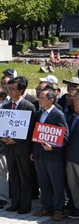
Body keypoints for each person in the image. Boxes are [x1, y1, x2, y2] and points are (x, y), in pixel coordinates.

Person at [0, 76, 37, 214]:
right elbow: (2, 125)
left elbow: (30, 129)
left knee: (25, 177)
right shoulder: (6, 106)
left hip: (23, 148)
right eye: (8, 88)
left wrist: (16, 140)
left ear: (21, 90)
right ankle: (15, 203)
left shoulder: (29, 106)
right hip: (9, 148)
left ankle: (25, 205)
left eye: (13, 88)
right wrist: (2, 138)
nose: (9, 91)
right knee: (13, 176)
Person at [32, 87, 69, 221]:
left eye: (42, 97)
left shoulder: (58, 114)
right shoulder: (39, 112)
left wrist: (53, 147)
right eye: (39, 97)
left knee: (56, 183)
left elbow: (64, 136)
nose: (39, 100)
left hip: (53, 156)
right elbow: (36, 133)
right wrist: (33, 151)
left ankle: (59, 209)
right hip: (39, 154)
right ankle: (46, 207)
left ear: (51, 100)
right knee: (43, 183)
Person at [66, 89, 79, 220]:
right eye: (75, 101)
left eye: (78, 102)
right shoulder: (71, 117)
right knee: (73, 185)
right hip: (70, 157)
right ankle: (77, 207)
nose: (76, 104)